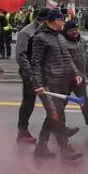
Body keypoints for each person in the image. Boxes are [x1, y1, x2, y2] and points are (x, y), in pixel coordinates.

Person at [28, 9, 83, 162]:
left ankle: (40, 148)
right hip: (48, 85)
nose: (63, 22)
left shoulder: (60, 37)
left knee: (52, 117)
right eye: (61, 20)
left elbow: (68, 59)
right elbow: (36, 63)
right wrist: (39, 85)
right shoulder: (41, 38)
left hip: (62, 83)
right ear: (53, 21)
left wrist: (76, 73)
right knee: (56, 116)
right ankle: (66, 150)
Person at [15, 8, 49, 144]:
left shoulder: (45, 31)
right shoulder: (26, 32)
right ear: (42, 20)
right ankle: (22, 132)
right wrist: (30, 72)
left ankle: (60, 128)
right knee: (29, 102)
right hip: (29, 73)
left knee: (50, 101)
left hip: (43, 71)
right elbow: (20, 55)